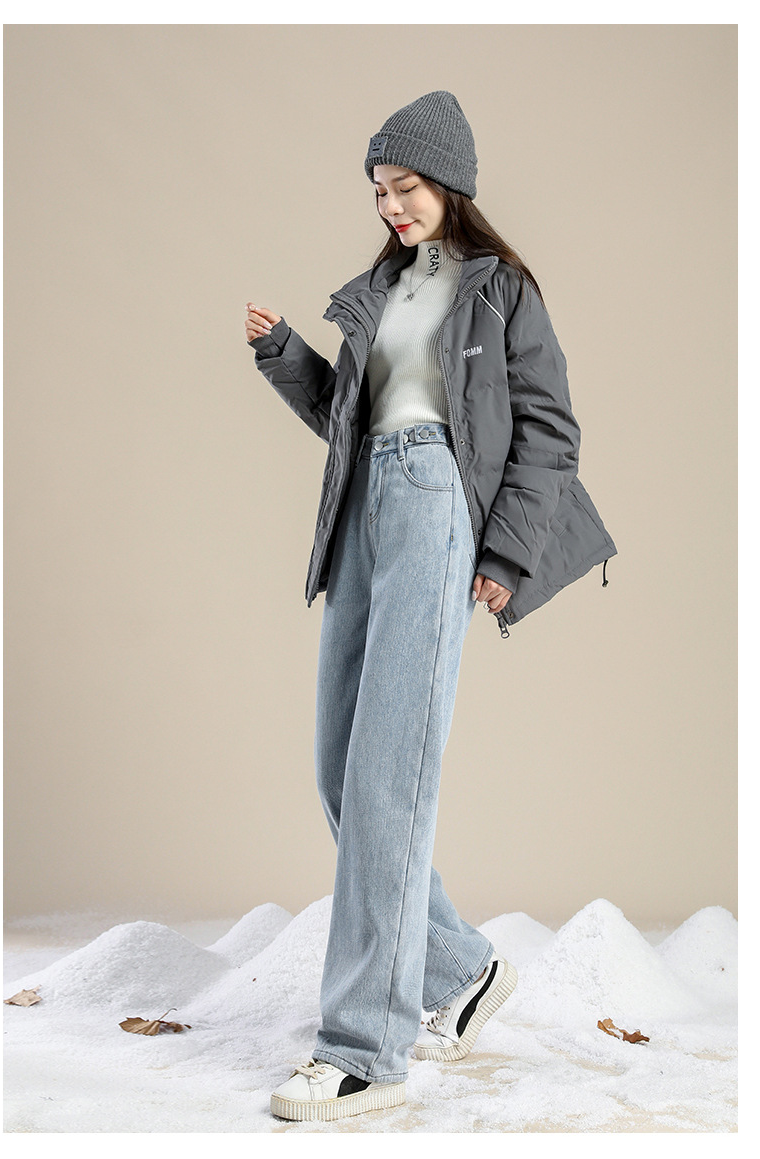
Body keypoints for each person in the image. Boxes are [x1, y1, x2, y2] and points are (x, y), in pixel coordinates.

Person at [245, 90, 616, 1124]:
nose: (391, 206)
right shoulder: (384, 288)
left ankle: (364, 1050)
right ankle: (462, 967)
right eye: (378, 192)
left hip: (436, 502)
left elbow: (548, 428)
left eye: (404, 187)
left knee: (387, 776)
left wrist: (506, 551)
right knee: (340, 767)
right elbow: (347, 417)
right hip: (364, 502)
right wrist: (286, 356)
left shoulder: (500, 291)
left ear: (449, 181)